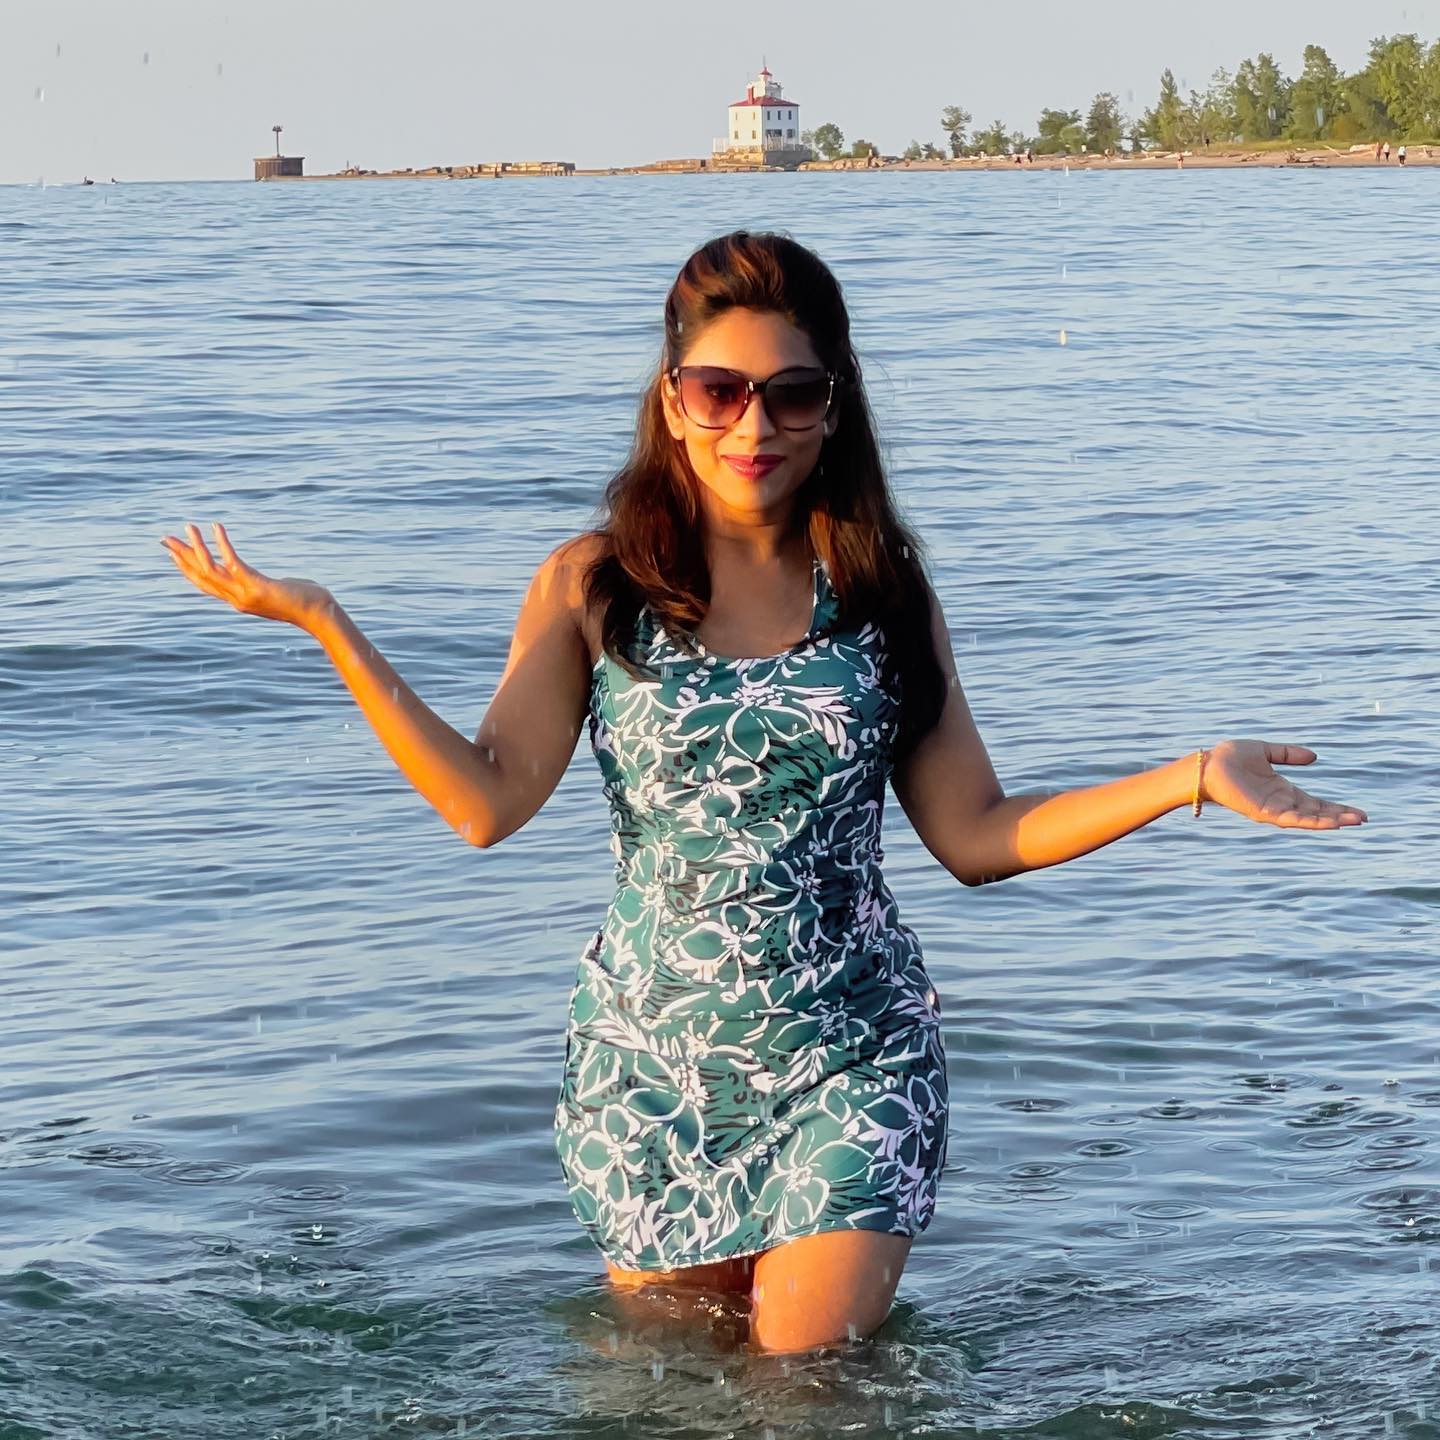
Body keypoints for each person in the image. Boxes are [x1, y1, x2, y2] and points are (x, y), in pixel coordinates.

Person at [161, 231, 1367, 1356]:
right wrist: (327, 623)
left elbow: (976, 834)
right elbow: (485, 803)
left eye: (793, 394)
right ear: (671, 400)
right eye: (720, 390)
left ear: (834, 407)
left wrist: (1186, 779)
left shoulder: (881, 590)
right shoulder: (596, 586)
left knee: (806, 1383)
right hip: (655, 1064)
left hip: (855, 1048)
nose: (755, 425)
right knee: (672, 1390)